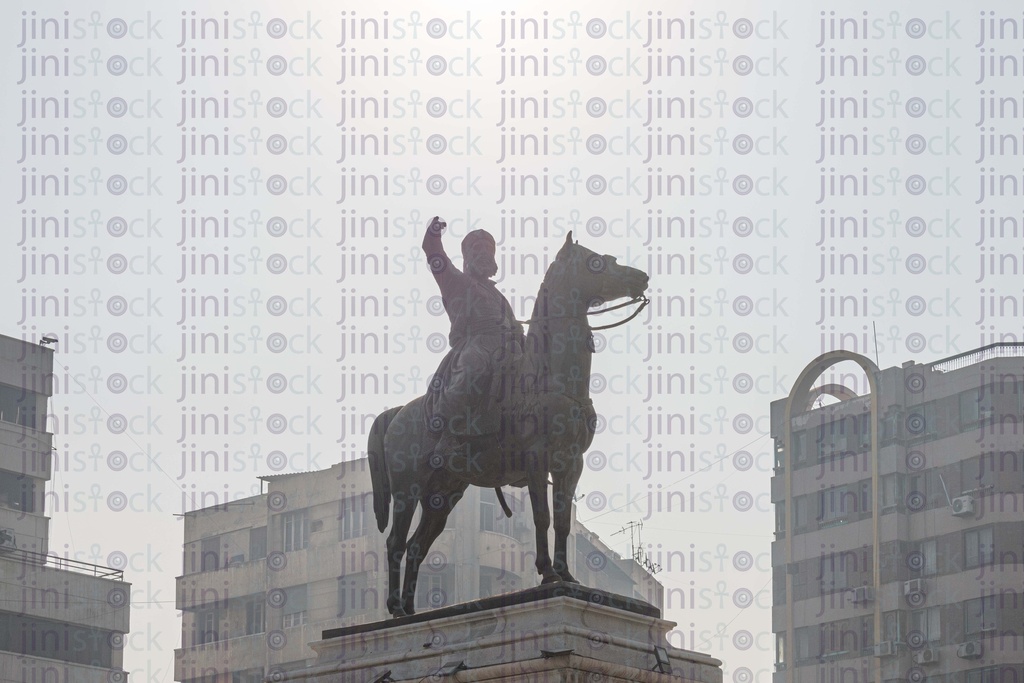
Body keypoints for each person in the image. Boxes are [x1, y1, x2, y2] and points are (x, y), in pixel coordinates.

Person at [421, 216, 524, 465]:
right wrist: (434, 234)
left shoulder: (498, 295)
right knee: (474, 367)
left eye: (488, 250)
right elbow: (436, 257)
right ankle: (445, 432)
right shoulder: (457, 282)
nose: (484, 254)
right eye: (478, 249)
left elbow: (514, 325)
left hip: (508, 348)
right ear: (467, 256)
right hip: (476, 344)